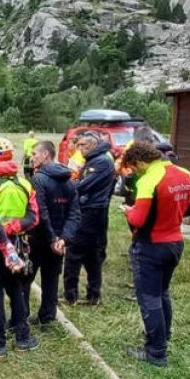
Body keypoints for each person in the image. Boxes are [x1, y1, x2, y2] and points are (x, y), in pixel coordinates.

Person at [121, 141, 190, 368]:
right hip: (175, 242)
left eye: (134, 167)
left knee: (149, 298)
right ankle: (163, 337)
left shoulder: (148, 180)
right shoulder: (186, 174)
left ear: (141, 161)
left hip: (150, 246)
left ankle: (156, 353)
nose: (134, 172)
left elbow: (138, 220)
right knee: (163, 293)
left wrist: (129, 211)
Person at [0, 136, 40, 357]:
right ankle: (23, 339)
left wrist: (6, 248)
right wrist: (12, 231)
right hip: (19, 245)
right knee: (16, 291)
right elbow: (33, 218)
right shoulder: (25, 184)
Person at [26, 140, 81, 326]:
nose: (32, 157)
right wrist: (63, 240)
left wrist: (52, 239)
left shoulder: (38, 179)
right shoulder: (70, 180)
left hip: (39, 239)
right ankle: (48, 317)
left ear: (45, 155)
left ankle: (21, 316)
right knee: (51, 279)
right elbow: (74, 214)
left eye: (35, 153)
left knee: (26, 278)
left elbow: (41, 212)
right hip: (58, 243)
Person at [65, 131, 115, 306]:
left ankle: (71, 295)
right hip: (94, 210)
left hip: (91, 212)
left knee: (75, 252)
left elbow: (84, 185)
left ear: (93, 145)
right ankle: (92, 295)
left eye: (83, 145)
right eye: (78, 145)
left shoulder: (101, 162)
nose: (80, 148)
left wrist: (67, 186)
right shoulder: (95, 160)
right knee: (92, 254)